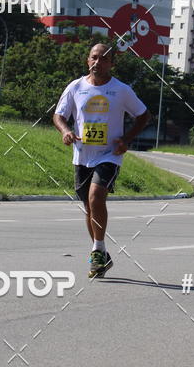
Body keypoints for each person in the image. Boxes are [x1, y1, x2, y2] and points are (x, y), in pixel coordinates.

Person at [53, 42, 151, 278]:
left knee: (96, 196)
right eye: (94, 57)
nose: (98, 62)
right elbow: (58, 115)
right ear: (88, 60)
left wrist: (126, 139)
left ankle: (97, 250)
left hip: (110, 155)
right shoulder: (76, 87)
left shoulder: (121, 90)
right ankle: (101, 253)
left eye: (104, 59)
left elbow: (144, 115)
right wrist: (66, 131)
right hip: (82, 155)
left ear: (112, 64)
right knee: (89, 206)